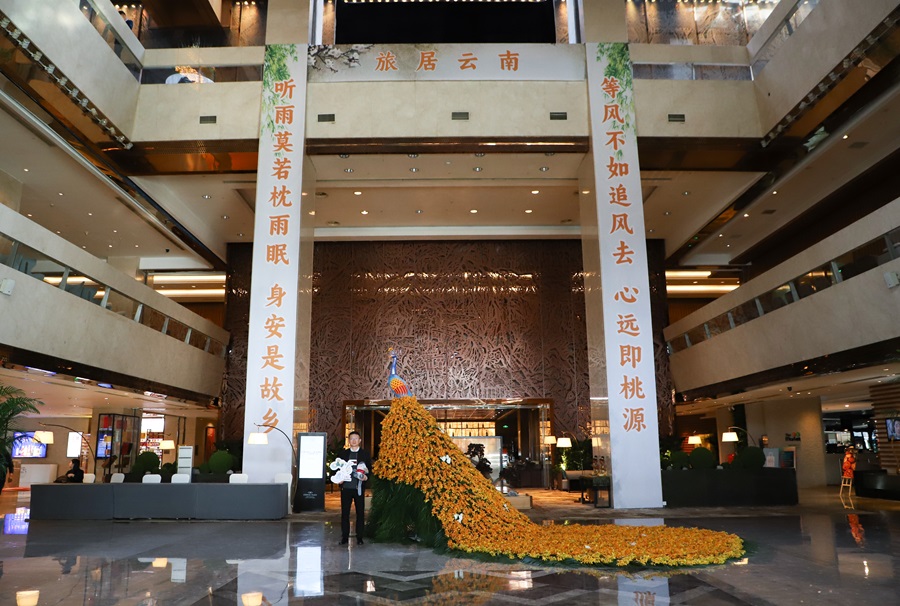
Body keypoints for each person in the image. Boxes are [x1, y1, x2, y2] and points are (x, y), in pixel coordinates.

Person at [337, 431, 371, 545]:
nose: (354, 441)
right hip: (346, 488)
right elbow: (338, 469)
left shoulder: (365, 454)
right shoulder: (343, 454)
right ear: (349, 440)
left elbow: (369, 469)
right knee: (345, 514)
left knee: (360, 513)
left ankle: (359, 537)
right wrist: (339, 479)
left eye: (356, 438)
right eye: (352, 439)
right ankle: (344, 537)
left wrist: (366, 477)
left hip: (359, 488)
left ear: (360, 440)